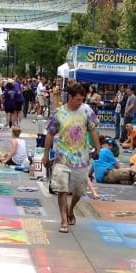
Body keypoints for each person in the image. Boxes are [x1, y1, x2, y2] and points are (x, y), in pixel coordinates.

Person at [44, 82, 100, 234]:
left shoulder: (86, 111)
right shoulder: (59, 113)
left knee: (78, 191)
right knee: (62, 189)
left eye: (82, 99)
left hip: (81, 158)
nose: (80, 102)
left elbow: (93, 129)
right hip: (63, 157)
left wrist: (98, 147)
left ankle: (71, 209)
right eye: (78, 99)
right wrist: (46, 155)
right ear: (70, 97)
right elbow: (50, 134)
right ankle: (63, 220)